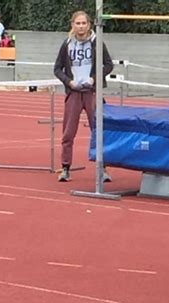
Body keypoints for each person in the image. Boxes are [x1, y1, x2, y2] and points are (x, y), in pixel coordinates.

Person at [54, 10, 113, 182]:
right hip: (73, 92)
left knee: (99, 130)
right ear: (72, 24)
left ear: (89, 25)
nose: (81, 26)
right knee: (68, 133)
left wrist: (94, 78)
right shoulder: (67, 44)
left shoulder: (97, 43)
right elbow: (57, 68)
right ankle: (65, 168)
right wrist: (68, 81)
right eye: (78, 23)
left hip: (92, 92)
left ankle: (103, 169)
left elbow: (108, 65)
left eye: (84, 23)